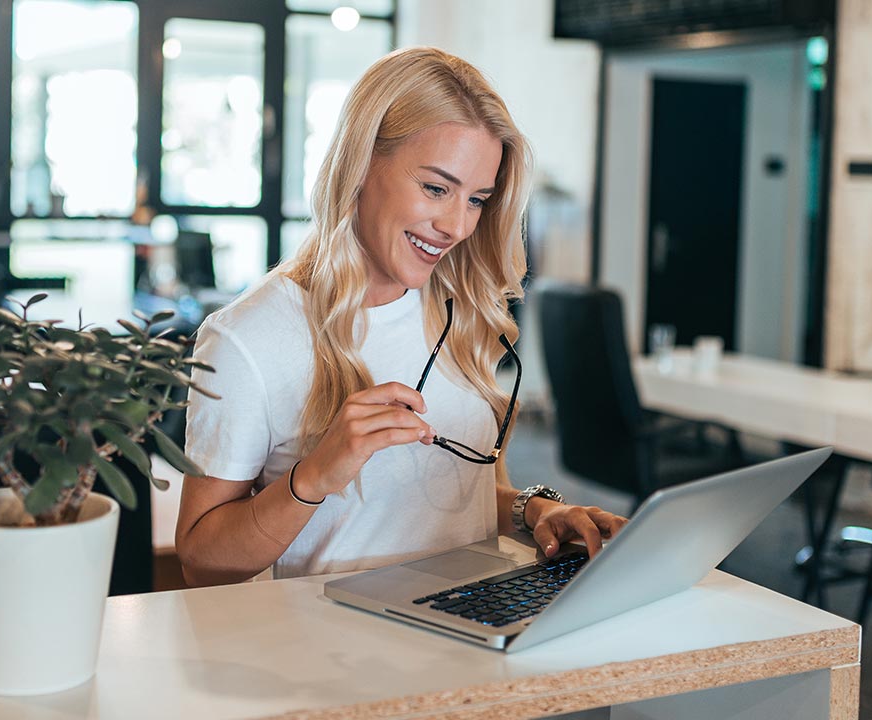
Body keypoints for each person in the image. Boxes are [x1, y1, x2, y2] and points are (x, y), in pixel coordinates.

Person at [176, 46, 627, 586]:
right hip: (340, 653)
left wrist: (534, 511)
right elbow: (202, 558)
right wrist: (315, 475)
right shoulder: (247, 338)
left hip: (466, 630)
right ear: (361, 163)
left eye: (477, 199)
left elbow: (448, 499)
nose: (457, 226)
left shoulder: (457, 309)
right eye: (436, 189)